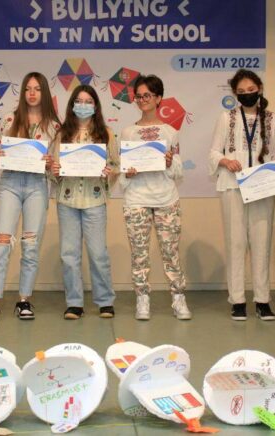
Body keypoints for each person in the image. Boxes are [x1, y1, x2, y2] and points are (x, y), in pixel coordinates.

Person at [0, 72, 60, 323]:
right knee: (2, 242)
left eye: (37, 88)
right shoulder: (9, 119)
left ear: (44, 92)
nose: (32, 93)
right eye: (28, 88)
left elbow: (57, 163)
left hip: (37, 186)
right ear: (23, 92)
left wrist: (50, 163)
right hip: (11, 184)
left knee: (31, 244)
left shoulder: (54, 126)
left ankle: (24, 299)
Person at [209, 69, 275, 321]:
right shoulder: (226, 117)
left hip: (262, 186)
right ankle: (238, 300)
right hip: (233, 185)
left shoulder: (272, 119)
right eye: (241, 92)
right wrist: (225, 161)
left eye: (251, 90)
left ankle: (262, 300)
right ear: (235, 94)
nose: (247, 95)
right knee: (235, 243)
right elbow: (213, 152)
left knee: (262, 242)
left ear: (259, 89)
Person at [119, 74, 191, 321]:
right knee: (139, 253)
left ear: (159, 98)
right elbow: (123, 171)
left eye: (147, 95)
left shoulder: (170, 132)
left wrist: (170, 162)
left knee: (171, 252)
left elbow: (178, 171)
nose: (142, 100)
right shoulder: (127, 132)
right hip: (136, 199)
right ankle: (142, 298)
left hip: (166, 199)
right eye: (138, 96)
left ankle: (178, 297)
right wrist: (127, 173)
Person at [50, 85, 118, 319]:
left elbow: (116, 165)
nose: (83, 105)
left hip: (95, 200)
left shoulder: (106, 133)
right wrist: (54, 171)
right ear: (72, 105)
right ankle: (74, 303)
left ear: (96, 106)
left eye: (88, 101)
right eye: (79, 101)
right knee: (69, 254)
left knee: (98, 253)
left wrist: (109, 172)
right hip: (67, 200)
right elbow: (53, 167)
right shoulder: (62, 134)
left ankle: (105, 301)